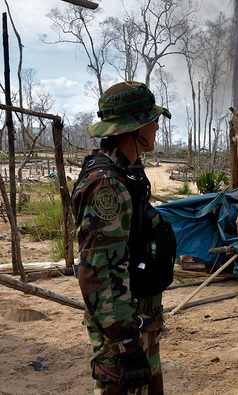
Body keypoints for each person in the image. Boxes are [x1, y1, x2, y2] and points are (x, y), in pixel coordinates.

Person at [71, 81, 177, 395]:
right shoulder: (107, 186)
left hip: (139, 324)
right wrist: (128, 348)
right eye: (151, 120)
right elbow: (99, 273)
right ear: (134, 128)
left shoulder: (126, 172)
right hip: (123, 334)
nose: (157, 126)